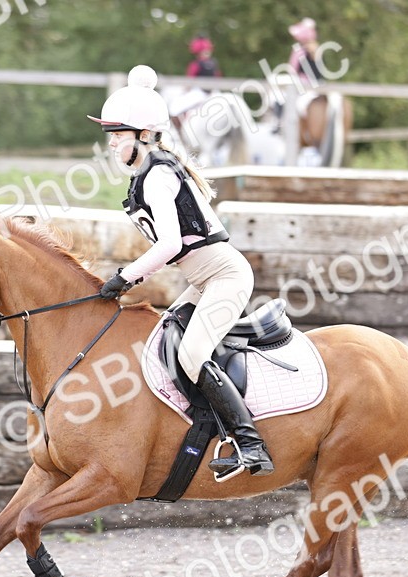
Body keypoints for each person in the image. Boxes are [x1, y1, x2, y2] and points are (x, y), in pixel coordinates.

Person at [89, 65, 274, 477]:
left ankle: (250, 444)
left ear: (143, 135)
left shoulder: (156, 176)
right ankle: (203, 429)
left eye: (117, 135)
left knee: (191, 353)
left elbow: (170, 244)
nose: (112, 144)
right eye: (112, 136)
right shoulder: (148, 173)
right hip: (203, 280)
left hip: (224, 275)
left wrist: (127, 276)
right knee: (164, 340)